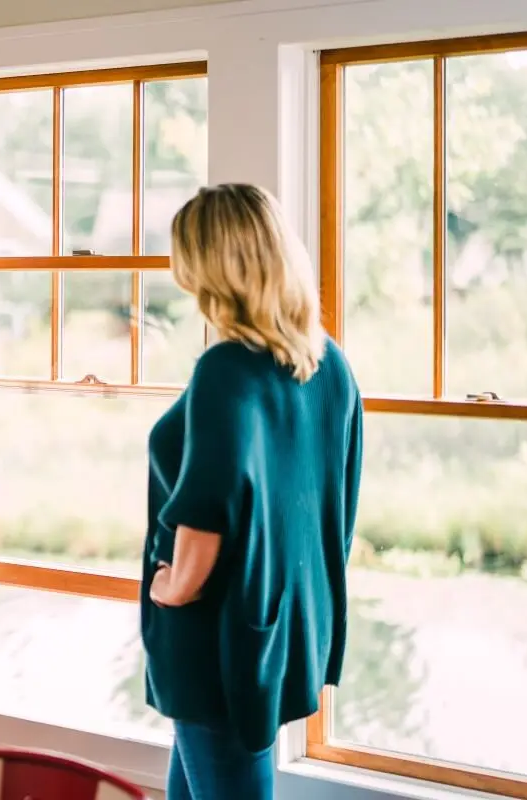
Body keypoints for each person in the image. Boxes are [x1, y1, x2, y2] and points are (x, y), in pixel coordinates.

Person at [140, 183, 363, 799]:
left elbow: (207, 513)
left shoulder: (226, 371)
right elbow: (334, 504)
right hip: (287, 627)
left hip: (219, 639)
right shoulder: (328, 363)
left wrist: (171, 586)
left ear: (209, 266)